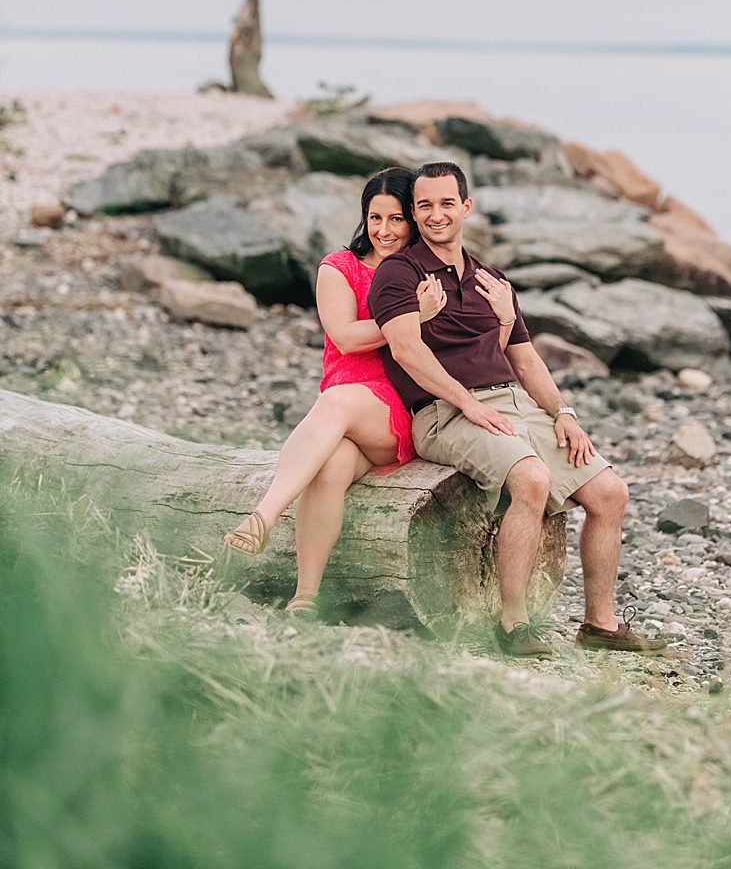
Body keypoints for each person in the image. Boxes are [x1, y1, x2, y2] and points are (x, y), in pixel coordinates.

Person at [368, 160, 670, 658]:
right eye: (425, 205)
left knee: (611, 493)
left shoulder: (492, 279)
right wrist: (466, 401)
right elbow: (405, 350)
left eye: (447, 203)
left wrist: (563, 413)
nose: (436, 214)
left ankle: (600, 625)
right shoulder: (399, 272)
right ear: (415, 212)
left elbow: (525, 359)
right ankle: (513, 624)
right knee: (531, 479)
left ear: (467, 206)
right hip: (443, 412)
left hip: (513, 402)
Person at [222, 165, 511, 614]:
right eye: (375, 218)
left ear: (412, 220)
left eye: (396, 219)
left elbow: (472, 347)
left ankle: (265, 514)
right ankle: (305, 597)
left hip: (397, 405)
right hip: (342, 406)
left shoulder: (419, 272)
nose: (384, 230)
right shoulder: (339, 268)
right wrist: (412, 316)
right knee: (330, 468)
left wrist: (504, 318)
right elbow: (345, 338)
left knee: (337, 402)